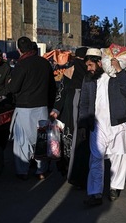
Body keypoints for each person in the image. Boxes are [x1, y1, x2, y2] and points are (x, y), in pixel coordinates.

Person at [78, 48, 126, 206]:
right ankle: (95, 193)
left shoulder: (116, 75)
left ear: (99, 62)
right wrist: (83, 123)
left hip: (118, 124)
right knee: (95, 159)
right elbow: (84, 102)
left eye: (90, 65)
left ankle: (115, 187)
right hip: (97, 126)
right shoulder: (88, 79)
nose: (88, 68)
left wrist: (119, 70)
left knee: (119, 157)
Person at [7, 36, 56, 180]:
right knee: (41, 139)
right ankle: (41, 170)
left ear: (19, 50)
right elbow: (52, 87)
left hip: (24, 107)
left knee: (22, 140)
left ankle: (22, 171)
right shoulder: (44, 63)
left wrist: (10, 82)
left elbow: (14, 88)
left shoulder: (21, 65)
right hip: (42, 106)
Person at [49, 46, 90, 189]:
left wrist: (55, 109)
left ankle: (69, 169)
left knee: (69, 139)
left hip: (70, 108)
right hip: (88, 109)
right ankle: (82, 173)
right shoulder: (92, 70)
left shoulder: (69, 70)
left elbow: (62, 92)